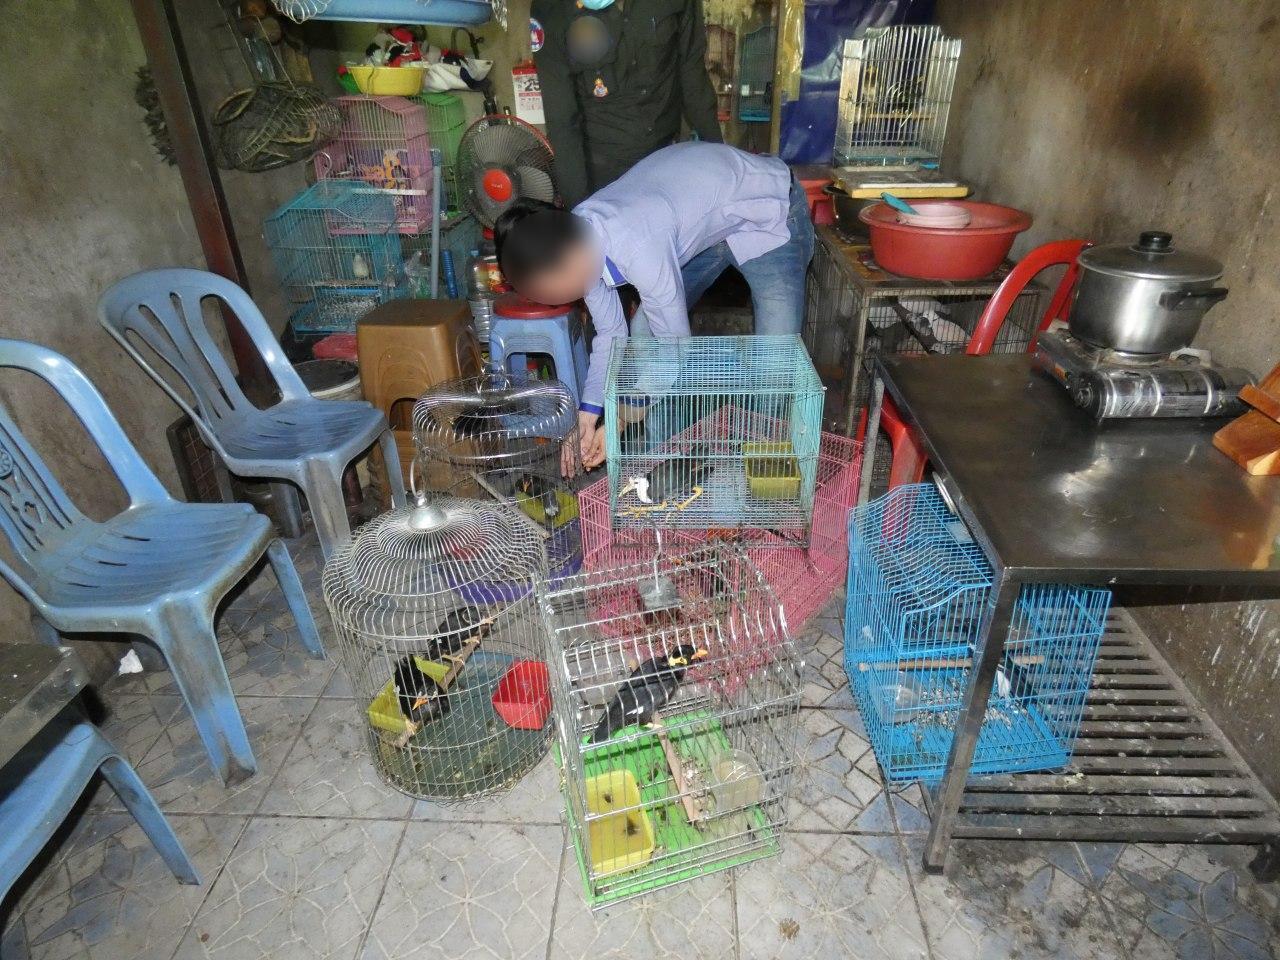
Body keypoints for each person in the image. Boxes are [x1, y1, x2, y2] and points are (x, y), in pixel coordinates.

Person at [494, 141, 815, 471]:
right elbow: (610, 336)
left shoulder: (638, 246)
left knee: (776, 356)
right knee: (645, 329)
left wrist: (619, 420)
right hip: (701, 218)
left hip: (768, 209)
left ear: (567, 262)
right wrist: (588, 414)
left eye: (550, 293)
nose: (556, 301)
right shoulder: (574, 235)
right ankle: (657, 457)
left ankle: (763, 458)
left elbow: (676, 349)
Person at [530, 0, 723, 209]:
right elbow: (562, 120)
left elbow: (692, 74)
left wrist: (722, 164)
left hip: (666, 162)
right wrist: (579, 211)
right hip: (603, 176)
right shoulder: (551, 7)